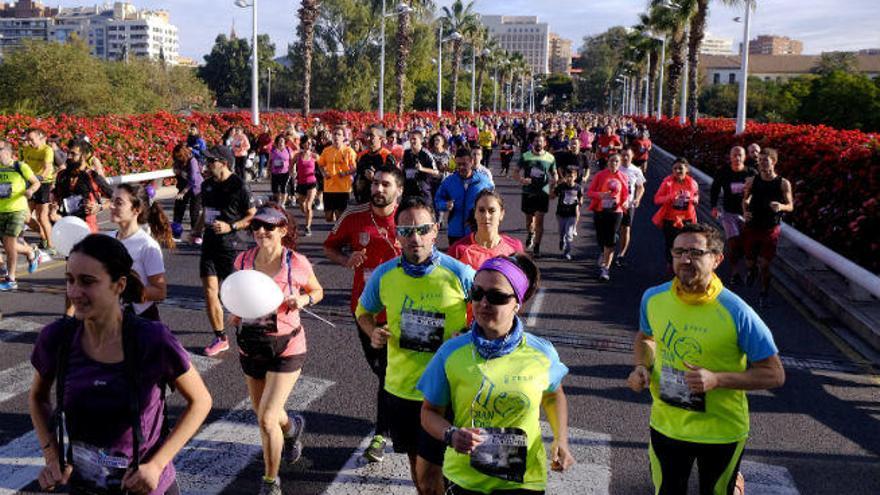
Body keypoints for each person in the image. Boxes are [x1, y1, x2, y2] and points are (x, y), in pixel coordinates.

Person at [29, 234, 212, 495]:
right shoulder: (57, 337)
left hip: (146, 488)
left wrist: (157, 465)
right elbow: (37, 397)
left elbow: (201, 401)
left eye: (87, 282)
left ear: (119, 285)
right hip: (85, 486)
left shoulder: (152, 339)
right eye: (70, 280)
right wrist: (52, 456)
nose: (74, 292)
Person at [627, 222, 785, 495]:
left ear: (717, 259)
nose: (685, 259)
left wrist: (717, 379)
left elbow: (774, 374)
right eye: (678, 252)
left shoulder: (737, 312)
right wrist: (642, 366)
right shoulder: (653, 299)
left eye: (696, 253)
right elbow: (646, 338)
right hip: (667, 424)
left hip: (721, 431)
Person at [419, 254, 575, 494]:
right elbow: (429, 412)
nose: (484, 303)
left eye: (497, 297)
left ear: (517, 303)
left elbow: (554, 395)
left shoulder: (541, 352)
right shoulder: (451, 352)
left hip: (523, 481)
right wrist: (450, 434)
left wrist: (560, 439)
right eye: (477, 293)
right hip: (465, 480)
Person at [356, 196, 475, 495]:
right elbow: (363, 312)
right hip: (403, 389)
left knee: (445, 469)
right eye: (406, 231)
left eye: (422, 229)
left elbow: (495, 313)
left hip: (451, 391)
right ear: (396, 235)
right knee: (421, 473)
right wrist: (373, 332)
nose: (415, 238)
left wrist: (467, 333)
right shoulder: (384, 274)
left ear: (435, 230)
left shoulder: (460, 274)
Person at [229, 205, 323, 495]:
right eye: (256, 226)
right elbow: (235, 295)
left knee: (266, 418)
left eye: (268, 227)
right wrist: (232, 311)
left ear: (282, 230)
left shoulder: (296, 263)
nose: (260, 232)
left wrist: (302, 300)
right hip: (251, 344)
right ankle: (292, 427)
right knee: (264, 412)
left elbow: (318, 292)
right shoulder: (242, 261)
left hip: (287, 345)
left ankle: (270, 481)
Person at [323, 165, 404, 463]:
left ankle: (381, 434)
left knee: (388, 374)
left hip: (402, 311)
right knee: (380, 369)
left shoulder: (409, 218)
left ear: (399, 190)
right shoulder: (354, 215)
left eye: (386, 185)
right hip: (365, 312)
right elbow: (329, 247)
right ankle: (395, 412)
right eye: (376, 184)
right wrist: (347, 259)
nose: (378, 189)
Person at [197, 145, 257, 356]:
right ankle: (220, 337)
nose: (207, 165)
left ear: (223, 162)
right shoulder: (206, 186)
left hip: (233, 246)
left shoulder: (239, 186)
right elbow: (205, 212)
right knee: (210, 292)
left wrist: (230, 226)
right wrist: (196, 231)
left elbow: (252, 216)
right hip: (210, 245)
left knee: (236, 295)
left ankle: (248, 333)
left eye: (211, 161)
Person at [108, 183, 174, 321]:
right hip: (111, 319)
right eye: (112, 200)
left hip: (141, 321)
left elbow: (160, 292)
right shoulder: (108, 239)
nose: (111, 206)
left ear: (136, 210)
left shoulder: (147, 246)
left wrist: (127, 290)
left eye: (118, 203)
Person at [741, 148, 793, 307]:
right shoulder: (751, 181)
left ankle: (764, 292)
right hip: (752, 226)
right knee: (749, 261)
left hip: (770, 228)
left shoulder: (783, 183)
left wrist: (781, 207)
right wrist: (745, 212)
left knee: (764, 264)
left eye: (766, 160)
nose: (762, 163)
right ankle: (751, 270)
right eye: (760, 160)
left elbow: (790, 206)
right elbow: (745, 200)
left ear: (774, 162)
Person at [710, 146, 756, 286]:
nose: (737, 158)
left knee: (747, 244)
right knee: (733, 242)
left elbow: (759, 191)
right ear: (730, 157)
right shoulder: (723, 172)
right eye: (734, 155)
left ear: (744, 157)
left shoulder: (751, 173)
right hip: (729, 212)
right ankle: (735, 273)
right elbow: (715, 189)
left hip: (747, 214)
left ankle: (749, 269)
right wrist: (713, 206)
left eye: (740, 155)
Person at [0, 140, 42, 291]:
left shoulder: (20, 166)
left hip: (17, 210)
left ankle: (11, 279)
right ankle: (31, 251)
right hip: (1, 210)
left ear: (7, 152)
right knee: (6, 244)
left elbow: (36, 182)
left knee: (9, 245)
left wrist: (30, 191)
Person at [449, 190, 524, 271]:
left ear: (501, 214)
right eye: (481, 210)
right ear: (475, 214)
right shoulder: (458, 250)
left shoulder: (515, 247)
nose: (486, 216)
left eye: (492, 211)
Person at [435, 147, 494, 247]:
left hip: (475, 231)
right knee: (455, 260)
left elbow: (493, 201)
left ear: (471, 162)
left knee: (474, 261)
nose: (461, 167)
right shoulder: (449, 181)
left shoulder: (483, 181)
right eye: (458, 164)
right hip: (455, 231)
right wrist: (445, 205)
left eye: (464, 164)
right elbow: (437, 200)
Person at [513, 133, 557, 258]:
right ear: (532, 143)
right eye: (536, 141)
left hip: (543, 192)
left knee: (540, 221)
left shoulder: (550, 158)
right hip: (528, 192)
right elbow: (515, 172)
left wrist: (554, 181)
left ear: (545, 143)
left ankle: (537, 247)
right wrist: (522, 180)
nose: (538, 143)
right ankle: (530, 233)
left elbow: (554, 173)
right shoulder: (526, 156)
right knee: (529, 221)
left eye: (540, 141)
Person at [587, 153, 630, 281]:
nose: (614, 164)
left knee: (610, 239)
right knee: (601, 238)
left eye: (617, 161)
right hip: (600, 211)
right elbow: (590, 192)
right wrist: (600, 195)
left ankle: (605, 269)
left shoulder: (623, 177)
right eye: (612, 161)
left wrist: (625, 202)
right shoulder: (600, 175)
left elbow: (626, 194)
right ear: (607, 162)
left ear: (620, 163)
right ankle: (604, 252)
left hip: (616, 212)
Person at [54, 141, 111, 234]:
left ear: (84, 156)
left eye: (73, 154)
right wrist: (54, 205)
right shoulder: (62, 175)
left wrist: (100, 207)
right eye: (68, 153)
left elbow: (114, 197)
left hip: (87, 229)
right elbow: (56, 194)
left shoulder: (92, 176)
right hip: (66, 227)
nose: (68, 157)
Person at [653, 158, 700, 267]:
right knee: (672, 244)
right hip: (670, 219)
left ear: (687, 169)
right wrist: (670, 197)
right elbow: (657, 199)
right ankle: (672, 266)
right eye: (675, 168)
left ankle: (684, 266)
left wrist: (695, 200)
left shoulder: (693, 183)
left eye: (680, 168)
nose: (678, 171)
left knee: (687, 244)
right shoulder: (667, 183)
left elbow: (696, 195)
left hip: (687, 219)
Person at [22, 128, 56, 254]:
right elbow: (24, 166)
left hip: (43, 184)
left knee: (42, 217)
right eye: (28, 139)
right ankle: (43, 236)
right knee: (25, 216)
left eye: (32, 139)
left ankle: (51, 244)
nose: (29, 142)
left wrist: (36, 180)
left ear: (40, 138)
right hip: (31, 184)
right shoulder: (27, 149)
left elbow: (47, 169)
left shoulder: (47, 150)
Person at [317, 126, 357, 222]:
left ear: (343, 137)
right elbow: (320, 164)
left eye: (339, 134)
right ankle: (336, 221)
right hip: (329, 187)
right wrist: (323, 173)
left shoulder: (349, 151)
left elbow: (354, 168)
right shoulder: (327, 150)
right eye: (334, 134)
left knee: (340, 216)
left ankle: (338, 229)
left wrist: (345, 173)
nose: (336, 136)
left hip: (343, 189)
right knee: (328, 217)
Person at [616, 148, 647, 265]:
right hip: (614, 204)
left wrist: (637, 199)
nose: (625, 158)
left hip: (628, 204)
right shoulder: (615, 168)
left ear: (632, 156)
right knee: (613, 230)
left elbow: (640, 187)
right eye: (623, 155)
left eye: (627, 155)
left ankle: (621, 254)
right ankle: (607, 251)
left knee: (626, 229)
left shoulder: (636, 170)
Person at [171, 143, 204, 245]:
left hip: (196, 188)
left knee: (194, 212)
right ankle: (176, 234)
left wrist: (183, 192)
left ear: (183, 154)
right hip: (184, 187)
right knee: (178, 208)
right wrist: (176, 171)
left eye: (179, 156)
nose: (177, 159)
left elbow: (193, 180)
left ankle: (197, 235)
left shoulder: (192, 161)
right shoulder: (178, 162)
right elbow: (179, 176)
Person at [355, 125, 396, 205]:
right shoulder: (362, 156)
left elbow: (393, 180)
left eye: (371, 136)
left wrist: (375, 178)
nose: (368, 139)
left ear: (381, 139)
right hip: (364, 200)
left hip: (381, 200)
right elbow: (358, 175)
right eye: (367, 135)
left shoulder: (387, 156)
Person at [551, 167, 583, 260]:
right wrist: (553, 186)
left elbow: (581, 197)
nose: (570, 178)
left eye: (572, 176)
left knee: (569, 234)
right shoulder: (561, 186)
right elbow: (553, 196)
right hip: (561, 213)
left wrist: (580, 201)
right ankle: (561, 240)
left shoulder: (578, 187)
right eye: (568, 176)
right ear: (565, 177)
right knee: (562, 232)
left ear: (575, 177)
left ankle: (567, 252)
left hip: (572, 214)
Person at [402, 130, 439, 204]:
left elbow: (436, 172)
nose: (412, 141)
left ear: (421, 140)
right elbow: (404, 169)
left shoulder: (426, 154)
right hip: (408, 190)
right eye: (410, 139)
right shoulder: (406, 153)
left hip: (423, 191)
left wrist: (422, 169)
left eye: (414, 139)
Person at [293, 135, 320, 236]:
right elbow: (291, 166)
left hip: (312, 183)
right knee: (302, 205)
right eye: (307, 143)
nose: (309, 144)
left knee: (308, 206)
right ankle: (308, 214)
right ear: (303, 143)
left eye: (310, 143)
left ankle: (307, 227)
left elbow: (323, 165)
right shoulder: (298, 155)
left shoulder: (314, 156)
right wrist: (293, 173)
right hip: (301, 183)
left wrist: (325, 174)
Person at [268, 135, 293, 207]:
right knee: (275, 190)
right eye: (279, 141)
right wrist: (268, 171)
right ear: (277, 142)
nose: (281, 142)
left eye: (282, 141)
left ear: (285, 142)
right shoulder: (273, 150)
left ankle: (283, 203)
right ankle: (278, 201)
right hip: (275, 172)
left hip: (285, 172)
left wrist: (293, 170)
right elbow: (270, 161)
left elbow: (292, 160)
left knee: (284, 187)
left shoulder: (288, 149)